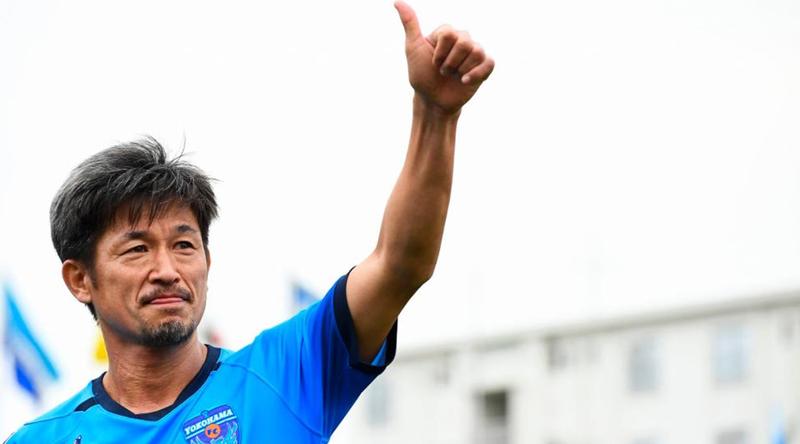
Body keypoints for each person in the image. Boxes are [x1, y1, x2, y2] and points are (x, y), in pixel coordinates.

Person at [5, 2, 494, 442]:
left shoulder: (287, 372)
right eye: (137, 249)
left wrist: (435, 114)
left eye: (184, 245)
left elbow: (400, 265)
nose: (168, 270)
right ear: (80, 279)